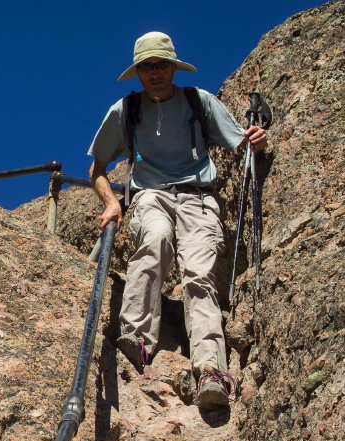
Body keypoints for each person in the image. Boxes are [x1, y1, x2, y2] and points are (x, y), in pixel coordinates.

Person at [88, 31, 268, 410]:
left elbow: (242, 142)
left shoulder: (198, 102)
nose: (155, 73)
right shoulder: (125, 110)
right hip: (150, 195)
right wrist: (111, 203)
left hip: (198, 199)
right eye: (147, 66)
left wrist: (258, 140)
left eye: (162, 65)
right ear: (138, 72)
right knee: (154, 241)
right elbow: (98, 169)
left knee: (199, 274)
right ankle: (137, 340)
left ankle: (212, 371)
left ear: (173, 67)